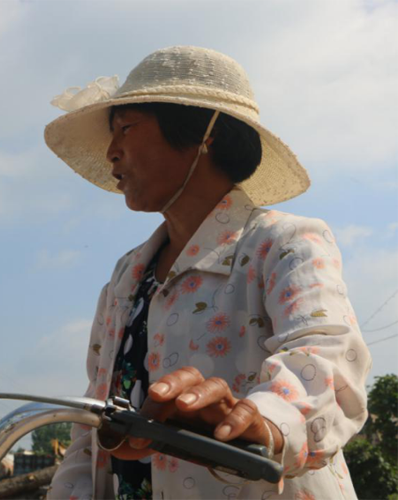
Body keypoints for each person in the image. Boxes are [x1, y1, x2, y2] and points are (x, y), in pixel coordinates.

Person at [44, 46, 370, 499]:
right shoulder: (126, 277)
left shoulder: (283, 244)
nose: (111, 151)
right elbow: (94, 420)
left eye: (126, 128)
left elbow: (325, 360)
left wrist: (263, 423)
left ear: (205, 135)